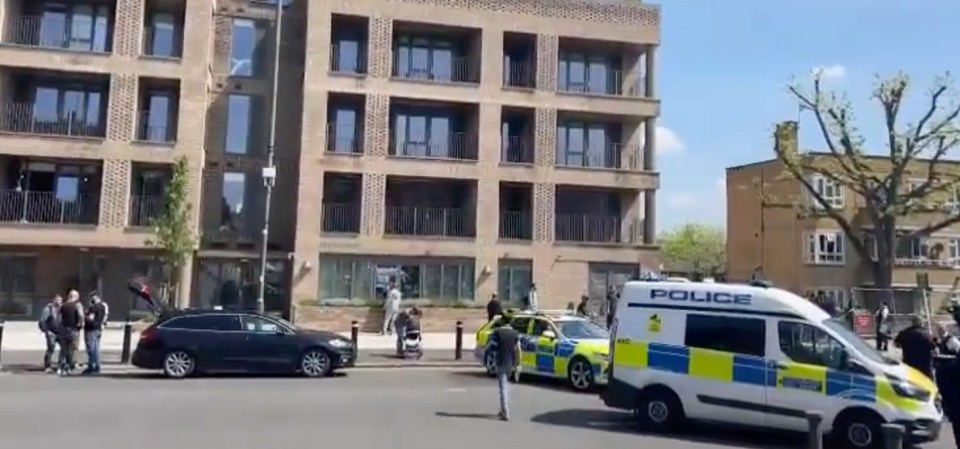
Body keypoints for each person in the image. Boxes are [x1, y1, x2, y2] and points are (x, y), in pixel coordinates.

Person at [489, 320, 521, 421]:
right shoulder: (515, 334)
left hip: (500, 361)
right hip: (510, 362)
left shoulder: (497, 333)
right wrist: (518, 363)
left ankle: (505, 411)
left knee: (503, 387)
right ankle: (502, 409)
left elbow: (492, 346)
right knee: (506, 385)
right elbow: (518, 350)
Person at [57, 290, 85, 376]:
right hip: (74, 329)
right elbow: (80, 315)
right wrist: (81, 323)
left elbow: (59, 317)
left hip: (64, 329)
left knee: (64, 349)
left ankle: (61, 366)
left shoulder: (63, 305)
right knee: (73, 349)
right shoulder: (77, 305)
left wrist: (60, 327)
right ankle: (70, 366)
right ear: (75, 297)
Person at [83, 292, 109, 374]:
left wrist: (84, 317)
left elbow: (91, 318)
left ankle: (92, 366)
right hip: (98, 328)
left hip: (91, 329)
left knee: (91, 349)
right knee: (96, 348)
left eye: (92, 298)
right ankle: (97, 365)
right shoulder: (103, 306)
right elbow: (104, 317)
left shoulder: (94, 307)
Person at [37, 294, 63, 372]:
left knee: (64, 348)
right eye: (57, 300)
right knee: (50, 348)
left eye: (60, 300)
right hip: (51, 332)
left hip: (61, 332)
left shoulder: (63, 308)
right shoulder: (48, 309)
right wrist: (45, 330)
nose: (59, 302)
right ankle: (47, 364)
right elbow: (42, 321)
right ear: (54, 300)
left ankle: (61, 364)